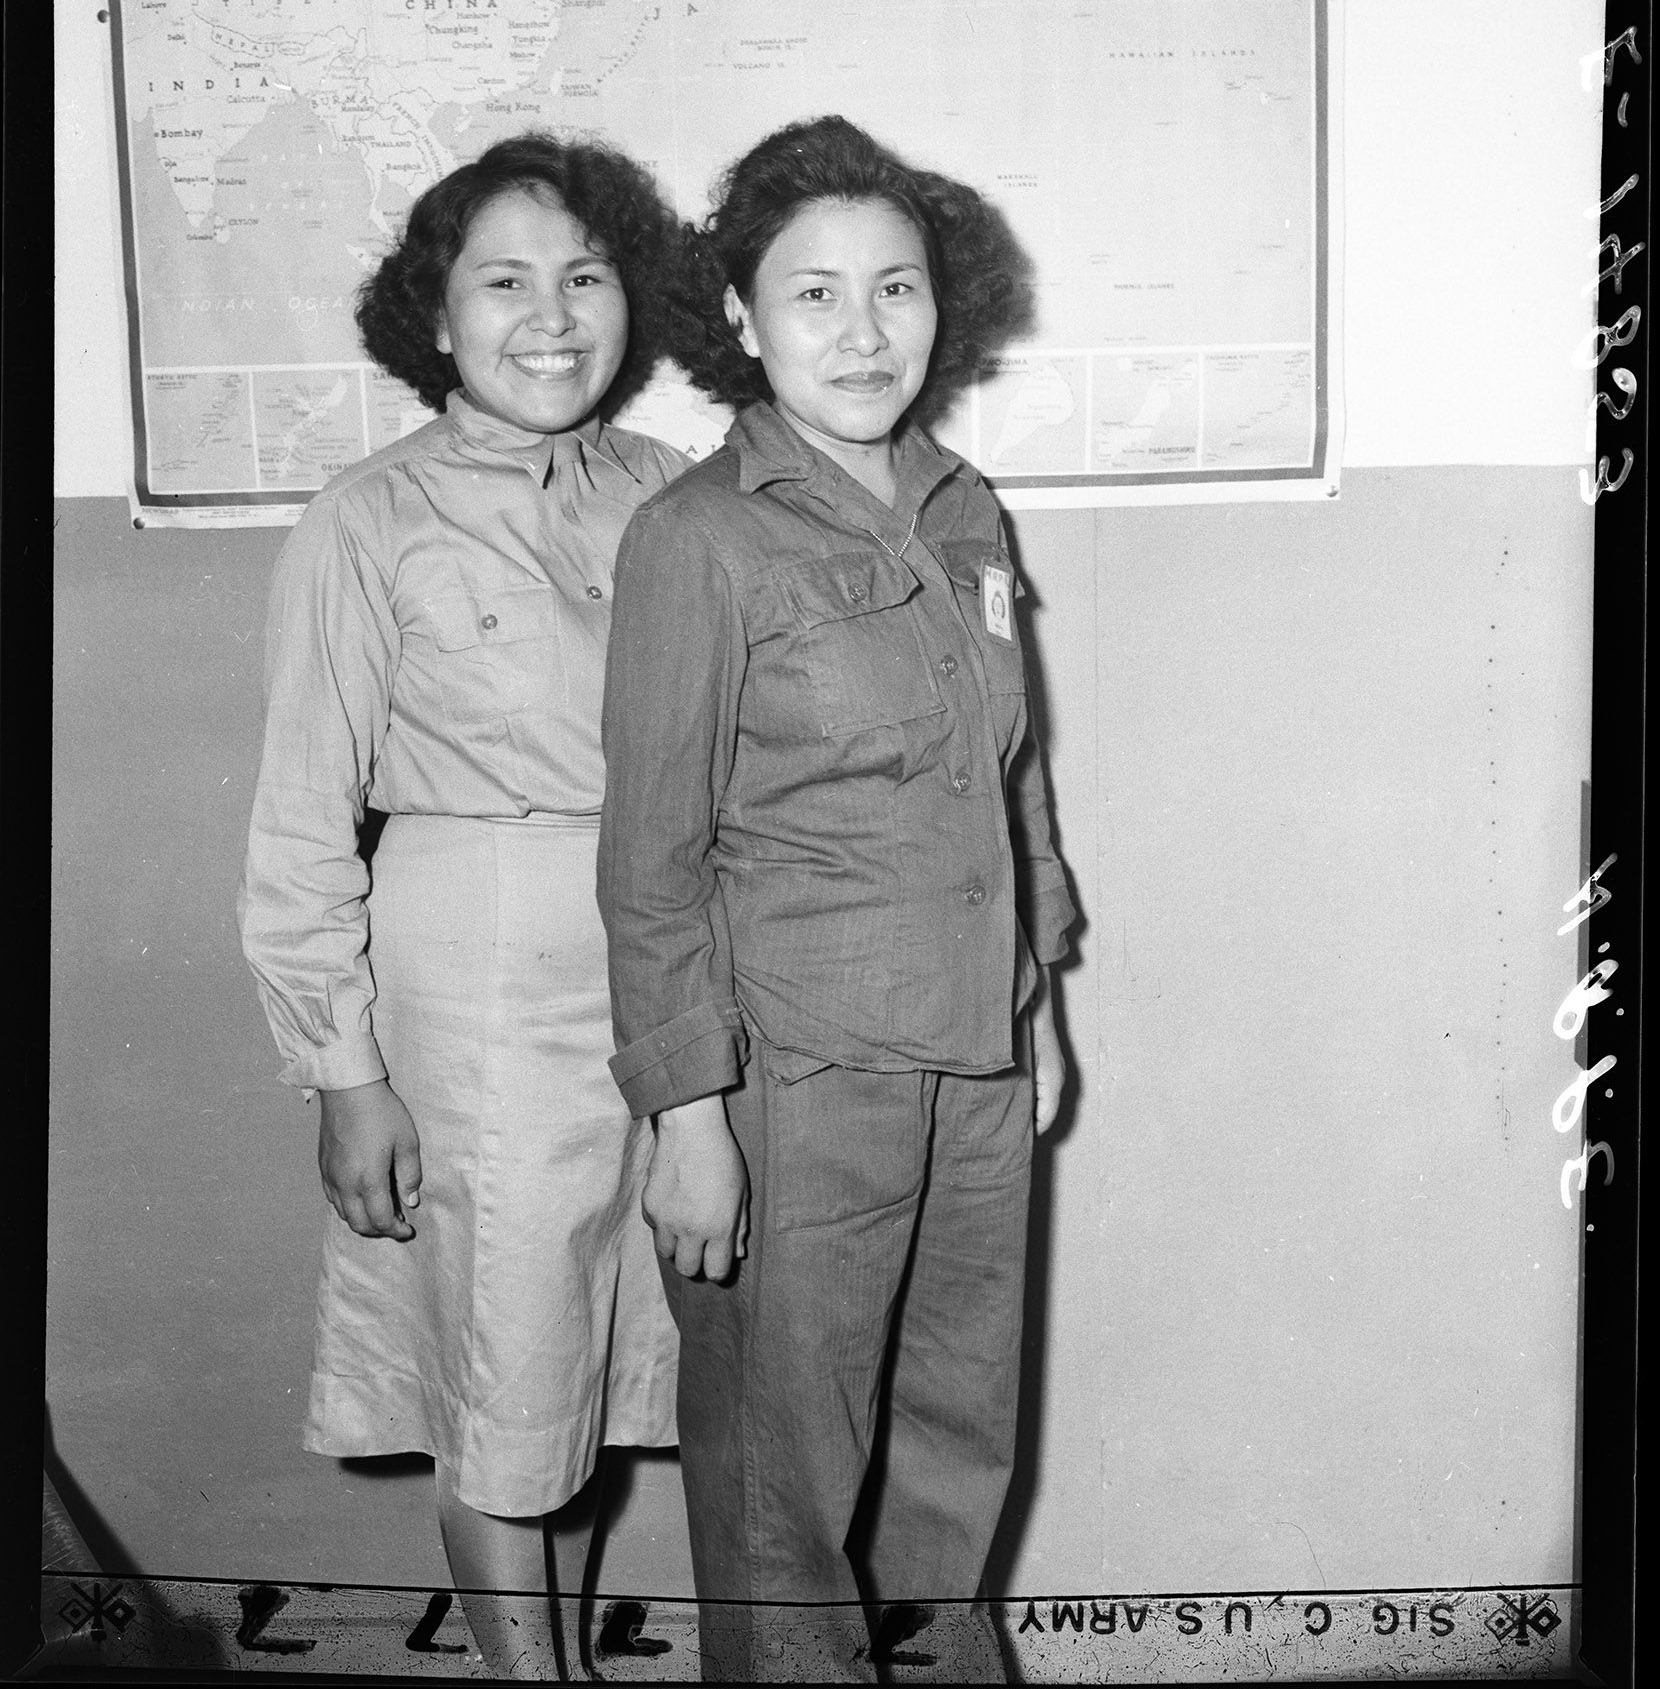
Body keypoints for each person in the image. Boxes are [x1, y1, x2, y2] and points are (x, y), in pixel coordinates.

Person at [597, 116, 1076, 1683]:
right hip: (793, 1082)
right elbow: (651, 856)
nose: (862, 333)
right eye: (814, 294)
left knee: (954, 1452)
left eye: (897, 289)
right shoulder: (700, 538)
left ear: (947, 306)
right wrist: (686, 1120)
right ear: (739, 320)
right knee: (781, 1501)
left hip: (977, 1062)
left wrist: (1040, 1003)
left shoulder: (965, 512)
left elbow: (1012, 779)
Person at [239, 133, 691, 1681]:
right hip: (481, 979)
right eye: (504, 280)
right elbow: (301, 819)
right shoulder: (367, 517)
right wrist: (344, 1075)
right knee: (504, 1363)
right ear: (434, 316)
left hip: (673, 971)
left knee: (593, 1357)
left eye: (585, 275)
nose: (551, 315)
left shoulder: (674, 495)